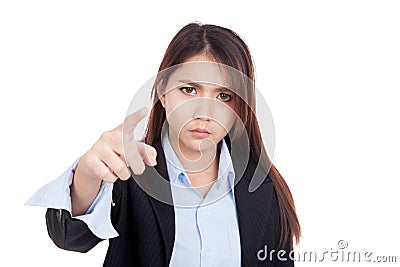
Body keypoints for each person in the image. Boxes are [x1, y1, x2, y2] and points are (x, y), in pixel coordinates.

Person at [27, 22, 301, 266]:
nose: (203, 112)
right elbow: (69, 237)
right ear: (162, 92)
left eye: (224, 96)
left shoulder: (264, 188)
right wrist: (87, 173)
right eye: (189, 90)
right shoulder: (129, 174)